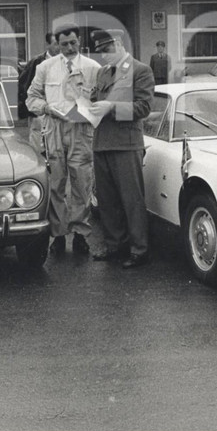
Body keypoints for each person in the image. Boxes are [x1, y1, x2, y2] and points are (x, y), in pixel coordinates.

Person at [26, 25, 100, 256]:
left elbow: (102, 101)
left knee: (82, 183)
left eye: (73, 43)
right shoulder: (45, 67)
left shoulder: (93, 68)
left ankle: (80, 234)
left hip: (80, 130)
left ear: (79, 42)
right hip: (54, 129)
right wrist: (47, 108)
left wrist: (88, 111)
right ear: (57, 44)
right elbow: (31, 98)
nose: (69, 47)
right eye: (64, 43)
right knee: (55, 183)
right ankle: (58, 234)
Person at [89, 29, 156, 269]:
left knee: (131, 200)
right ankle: (114, 245)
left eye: (107, 50)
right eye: (100, 52)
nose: (104, 56)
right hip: (102, 142)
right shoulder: (103, 73)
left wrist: (111, 108)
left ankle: (139, 249)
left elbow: (144, 108)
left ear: (118, 44)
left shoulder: (140, 70)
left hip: (126, 144)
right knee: (107, 201)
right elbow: (96, 99)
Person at [18, 32, 60, 153]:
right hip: (39, 113)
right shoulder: (36, 63)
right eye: (55, 44)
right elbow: (23, 86)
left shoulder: (66, 62)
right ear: (47, 45)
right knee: (38, 148)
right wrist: (32, 109)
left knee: (56, 149)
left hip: (59, 111)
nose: (59, 48)